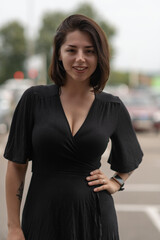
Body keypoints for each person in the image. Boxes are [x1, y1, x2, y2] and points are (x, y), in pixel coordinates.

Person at [4, 14, 143, 240]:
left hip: (96, 220)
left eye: (89, 51)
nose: (80, 58)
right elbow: (16, 166)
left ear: (99, 56)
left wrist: (116, 182)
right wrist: (13, 227)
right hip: (42, 218)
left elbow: (131, 157)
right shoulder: (34, 99)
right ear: (59, 54)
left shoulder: (112, 106)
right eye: (72, 50)